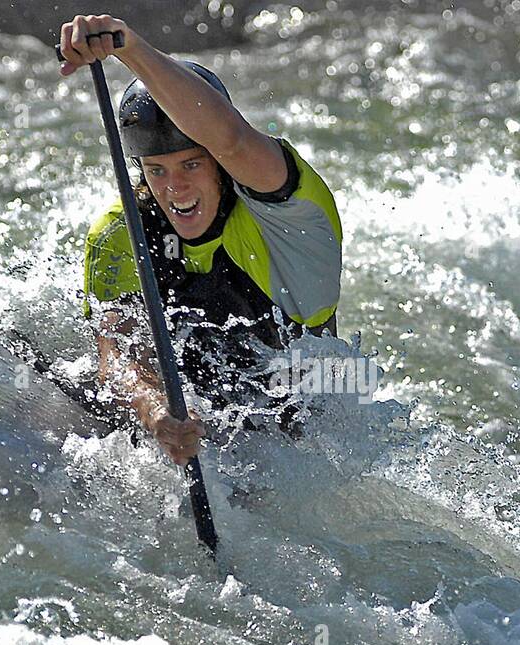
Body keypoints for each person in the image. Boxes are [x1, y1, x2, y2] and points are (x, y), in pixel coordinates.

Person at [58, 13, 343, 466]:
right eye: (157, 171)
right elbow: (116, 360)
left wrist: (127, 47)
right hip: (193, 426)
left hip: (299, 443)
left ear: (219, 166)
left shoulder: (289, 211)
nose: (175, 189)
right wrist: (157, 416)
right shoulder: (122, 231)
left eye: (191, 165)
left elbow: (230, 138)